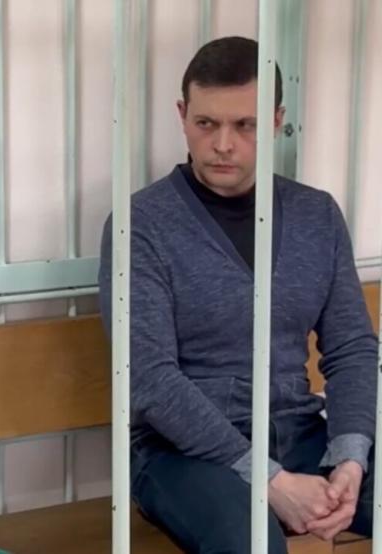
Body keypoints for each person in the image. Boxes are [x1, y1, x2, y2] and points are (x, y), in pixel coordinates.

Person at [98, 36, 377, 553]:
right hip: (183, 455)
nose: (223, 144)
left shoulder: (317, 215)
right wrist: (271, 481)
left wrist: (350, 459)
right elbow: (150, 379)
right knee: (250, 540)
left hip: (300, 433)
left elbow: (352, 348)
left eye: (245, 125)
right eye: (206, 123)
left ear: (275, 121)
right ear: (182, 115)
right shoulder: (140, 226)